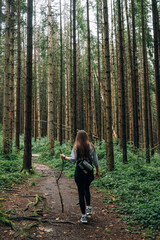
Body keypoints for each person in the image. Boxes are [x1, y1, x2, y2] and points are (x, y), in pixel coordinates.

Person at [60, 130, 99, 224]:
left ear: (78, 137)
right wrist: (97, 171)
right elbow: (95, 160)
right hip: (89, 171)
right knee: (87, 188)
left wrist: (64, 157)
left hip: (80, 172)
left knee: (81, 192)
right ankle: (88, 208)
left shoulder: (76, 147)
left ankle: (83, 216)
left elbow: (73, 160)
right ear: (86, 137)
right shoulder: (91, 146)